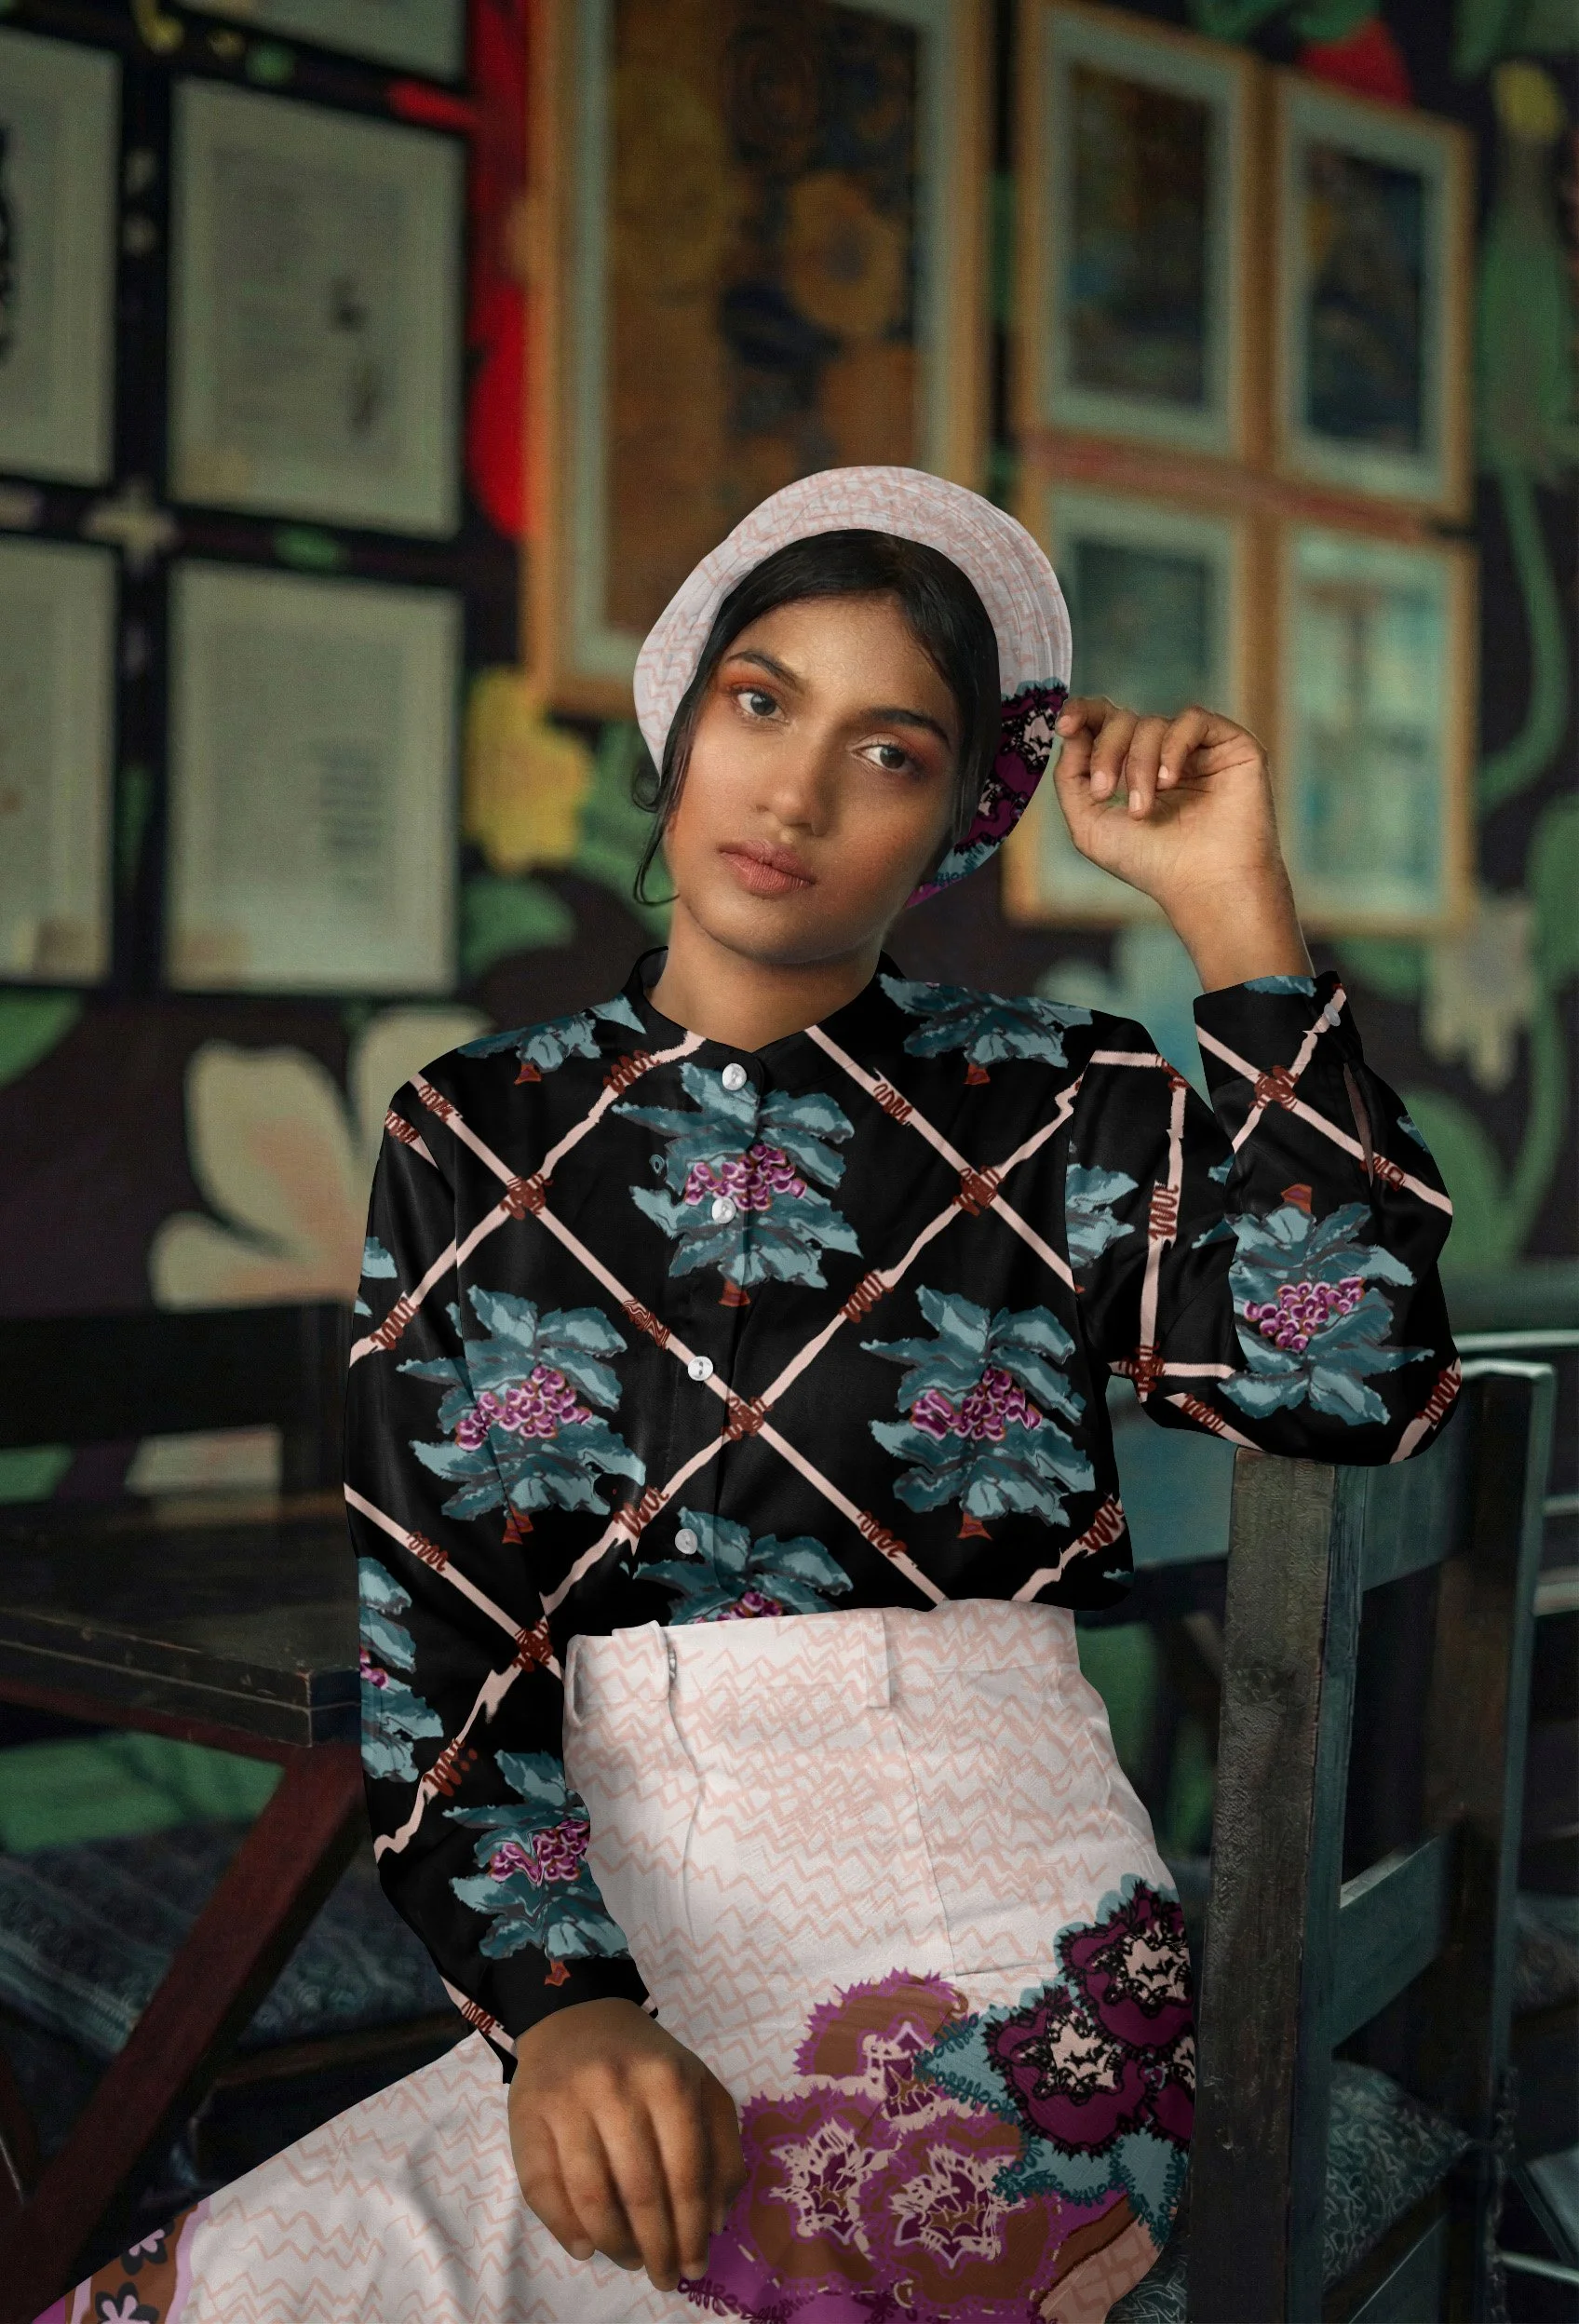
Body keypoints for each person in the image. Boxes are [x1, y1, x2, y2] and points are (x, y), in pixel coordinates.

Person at [48, 468, 1457, 2324]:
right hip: (638, 1955)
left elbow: (1346, 1380)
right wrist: (559, 2015)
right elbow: (445, 1646)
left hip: (1004, 1964)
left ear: (958, 821)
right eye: (761, 700)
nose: (793, 791)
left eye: (887, 753)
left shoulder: (1059, 1098)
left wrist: (1237, 927)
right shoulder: (473, 1134)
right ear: (679, 720)